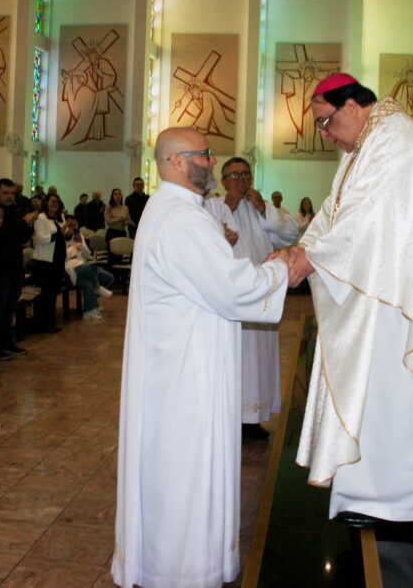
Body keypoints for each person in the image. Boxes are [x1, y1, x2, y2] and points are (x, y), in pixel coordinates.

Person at [273, 73, 413, 528]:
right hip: (390, 286)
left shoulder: (397, 141)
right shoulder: (363, 146)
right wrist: (302, 249)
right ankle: (369, 491)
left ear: (351, 106)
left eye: (325, 121)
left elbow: (370, 218)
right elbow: (334, 211)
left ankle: (399, 496)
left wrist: (311, 259)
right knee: (377, 387)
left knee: (399, 391)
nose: (324, 134)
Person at [113, 127, 288, 588]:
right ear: (175, 162)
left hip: (181, 361)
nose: (212, 162)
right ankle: (182, 571)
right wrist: (284, 268)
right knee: (185, 473)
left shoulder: (177, 210)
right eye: (204, 155)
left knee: (181, 472)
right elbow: (233, 289)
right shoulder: (181, 220)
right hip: (185, 375)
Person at [204, 157, 297, 438]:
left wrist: (263, 208)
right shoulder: (212, 207)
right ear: (223, 181)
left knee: (259, 360)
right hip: (232, 298)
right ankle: (231, 417)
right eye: (234, 175)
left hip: (262, 296)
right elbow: (205, 244)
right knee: (235, 357)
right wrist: (229, 209)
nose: (241, 180)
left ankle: (254, 418)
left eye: (245, 174)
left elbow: (291, 234)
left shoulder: (262, 208)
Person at [0, 178, 38, 361]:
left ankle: (7, 342)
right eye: (6, 193)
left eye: (12, 193)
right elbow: (2, 236)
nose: (10, 197)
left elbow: (22, 236)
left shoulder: (15, 210)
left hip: (15, 266)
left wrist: (29, 223)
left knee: (10, 308)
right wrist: (23, 223)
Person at [31, 193, 71, 333]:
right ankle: (42, 323)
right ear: (46, 203)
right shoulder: (41, 218)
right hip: (45, 261)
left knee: (53, 292)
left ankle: (50, 322)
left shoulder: (60, 217)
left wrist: (69, 233)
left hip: (58, 259)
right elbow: (42, 239)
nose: (55, 204)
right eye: (52, 201)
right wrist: (59, 233)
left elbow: (65, 235)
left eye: (57, 202)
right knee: (46, 293)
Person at [63, 216, 114, 321]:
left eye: (74, 226)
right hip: (70, 268)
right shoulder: (61, 236)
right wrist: (73, 248)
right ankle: (94, 298)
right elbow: (64, 256)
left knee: (108, 277)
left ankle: (91, 301)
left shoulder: (78, 235)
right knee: (88, 281)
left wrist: (81, 244)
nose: (72, 228)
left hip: (82, 264)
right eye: (70, 226)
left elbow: (87, 254)